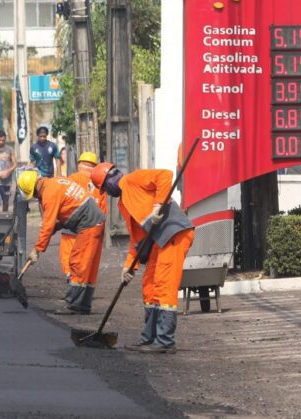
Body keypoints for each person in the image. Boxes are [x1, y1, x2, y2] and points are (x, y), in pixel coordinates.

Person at [92, 161, 195, 354]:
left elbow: (165, 174)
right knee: (149, 285)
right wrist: (129, 267)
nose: (107, 192)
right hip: (159, 240)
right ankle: (149, 338)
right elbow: (137, 239)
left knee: (164, 285)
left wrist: (157, 206)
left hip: (174, 233)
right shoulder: (124, 203)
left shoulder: (133, 179)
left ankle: (164, 341)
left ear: (110, 179)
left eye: (105, 188)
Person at [17, 169, 105, 315]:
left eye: (33, 194)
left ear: (34, 187)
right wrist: (58, 226)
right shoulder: (55, 182)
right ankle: (82, 305)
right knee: (88, 267)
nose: (35, 197)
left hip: (88, 223)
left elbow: (47, 225)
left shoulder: (48, 194)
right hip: (94, 220)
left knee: (77, 263)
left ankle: (72, 305)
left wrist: (37, 250)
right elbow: (70, 209)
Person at [59, 151, 107, 289]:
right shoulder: (100, 185)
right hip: (91, 228)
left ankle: (71, 279)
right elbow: (103, 210)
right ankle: (82, 284)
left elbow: (65, 198)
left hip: (71, 226)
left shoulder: (73, 178)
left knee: (67, 256)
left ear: (79, 164)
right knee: (85, 259)